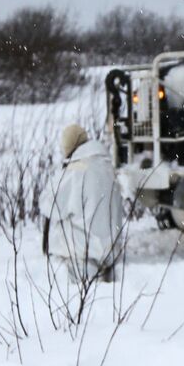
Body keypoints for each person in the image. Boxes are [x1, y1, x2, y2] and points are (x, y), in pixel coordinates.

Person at [41, 123, 124, 289]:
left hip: (83, 253)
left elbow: (49, 205)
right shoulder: (107, 166)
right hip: (111, 250)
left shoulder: (76, 170)